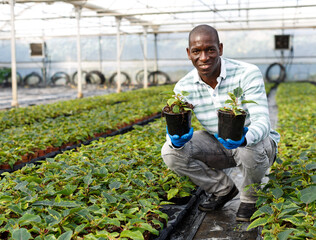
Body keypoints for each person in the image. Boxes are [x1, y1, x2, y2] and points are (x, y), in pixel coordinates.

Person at [161, 25, 280, 222]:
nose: (204, 57)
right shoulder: (183, 86)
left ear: (220, 49)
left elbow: (262, 122)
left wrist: (243, 138)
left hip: (257, 145)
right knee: (170, 152)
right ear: (189, 53)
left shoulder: (247, 73)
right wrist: (176, 140)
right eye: (197, 51)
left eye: (210, 49)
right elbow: (177, 124)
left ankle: (250, 198)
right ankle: (223, 189)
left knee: (247, 143)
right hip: (218, 143)